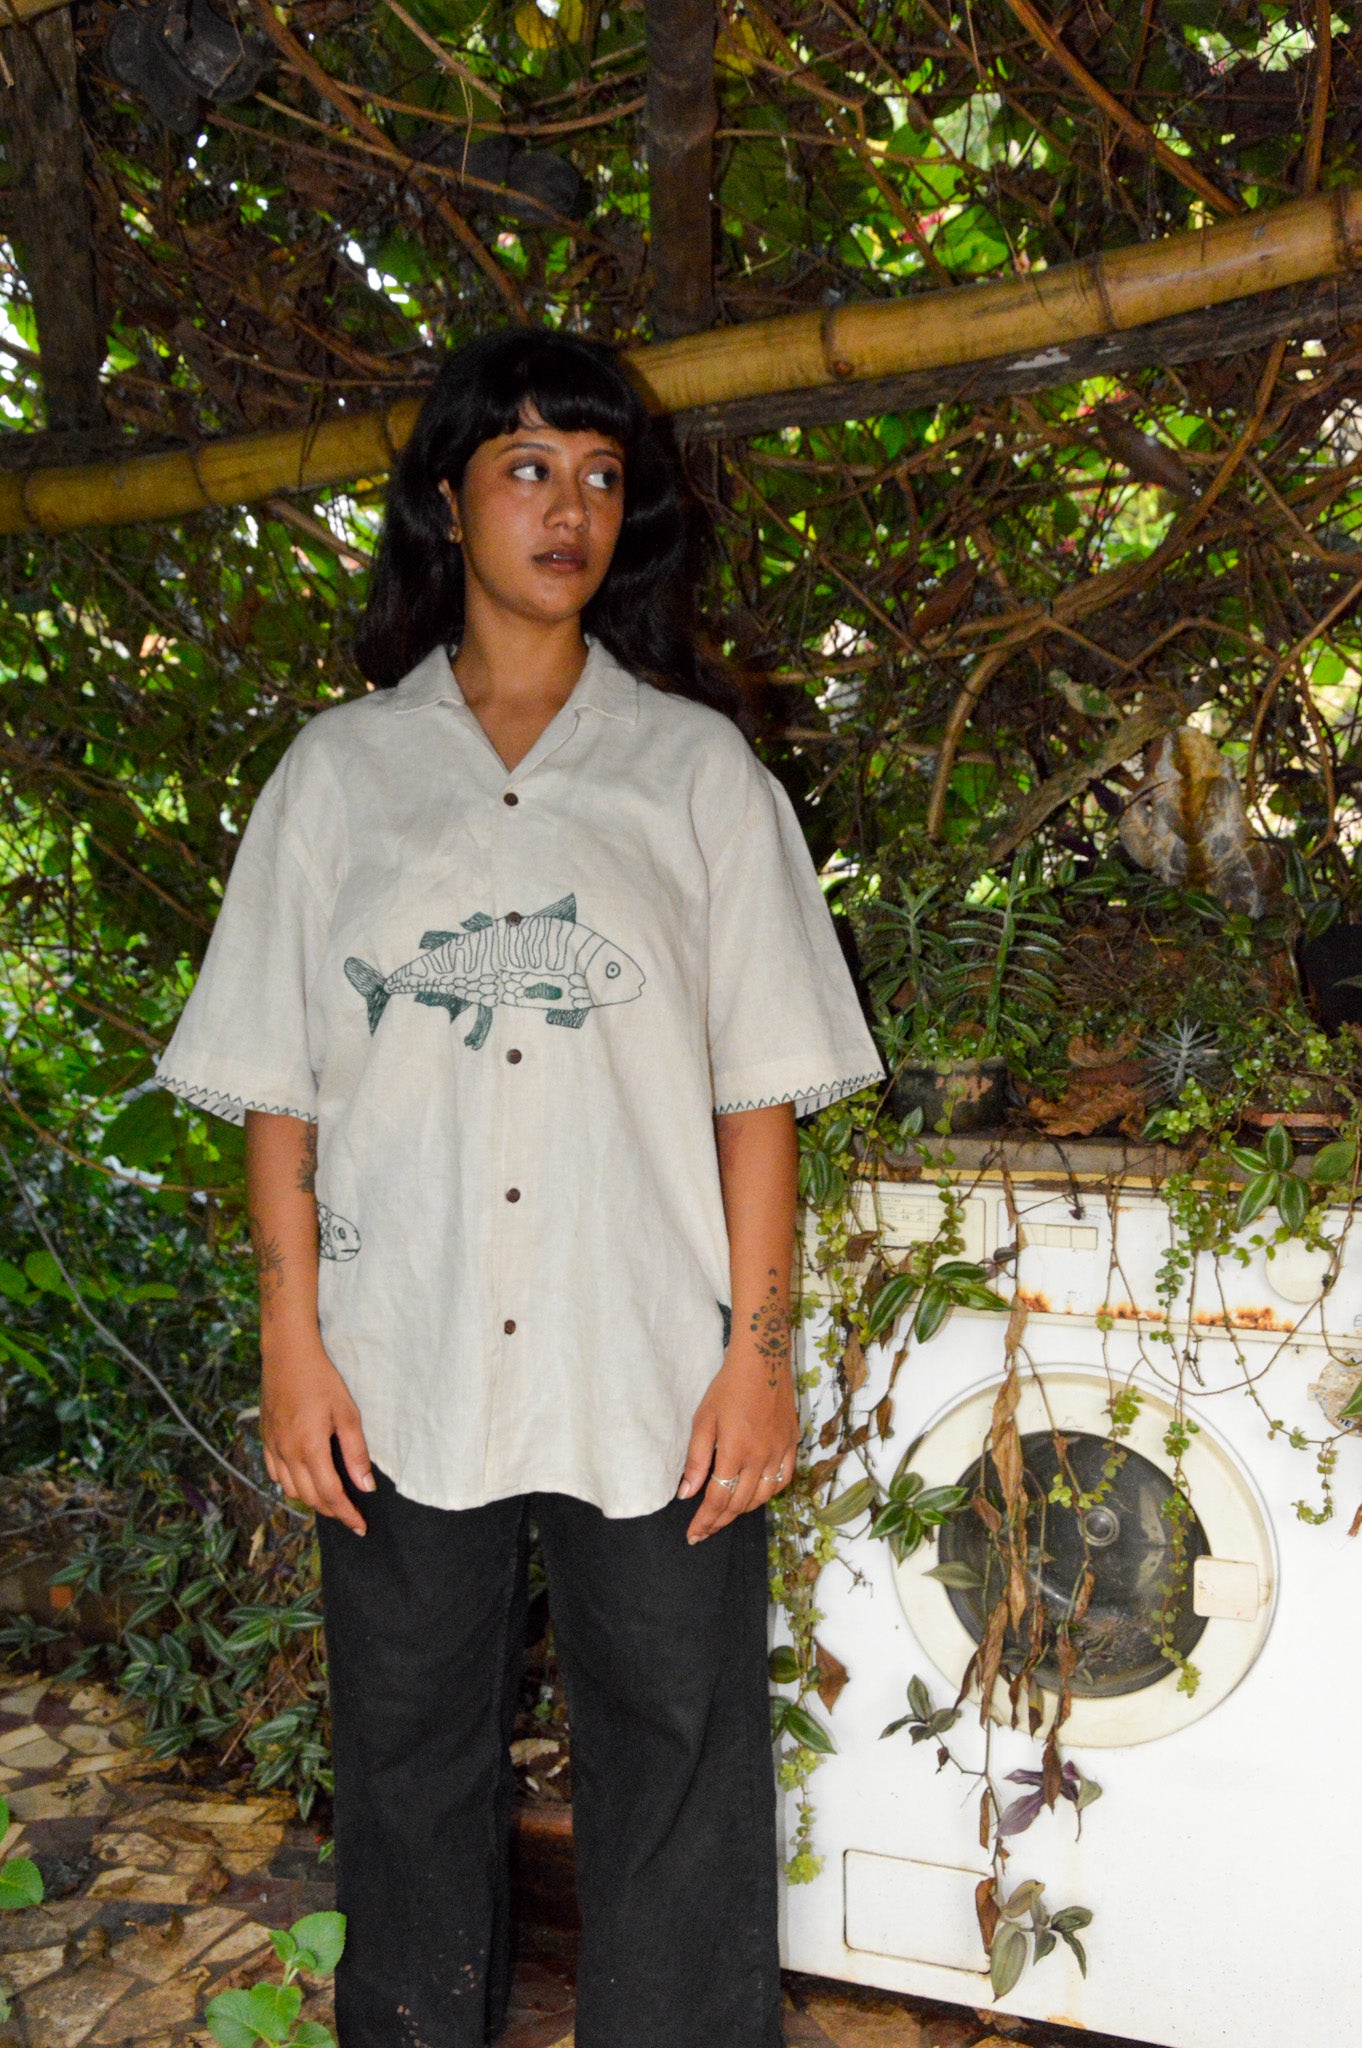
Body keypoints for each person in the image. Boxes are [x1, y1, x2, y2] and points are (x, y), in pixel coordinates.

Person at [156, 329, 883, 2048]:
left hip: (646, 1364)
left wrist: (757, 1352)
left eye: (602, 476)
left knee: (683, 1768)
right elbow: (275, 1087)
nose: (569, 509)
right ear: (445, 500)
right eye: (528, 469)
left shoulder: (697, 775)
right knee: (404, 1769)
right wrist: (293, 1344)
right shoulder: (339, 777)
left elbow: (759, 1089)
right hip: (396, 1364)